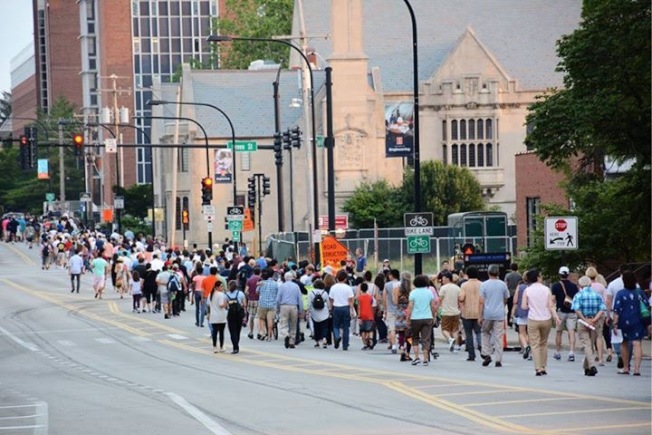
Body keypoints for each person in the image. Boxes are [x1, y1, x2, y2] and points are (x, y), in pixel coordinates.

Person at [521, 269, 560, 376]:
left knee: (535, 344)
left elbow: (523, 306)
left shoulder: (527, 290)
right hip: (546, 319)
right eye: (541, 276)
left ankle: (537, 368)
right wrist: (556, 317)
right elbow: (551, 306)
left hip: (533, 319)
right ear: (537, 278)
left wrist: (532, 306)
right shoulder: (546, 289)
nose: (541, 277)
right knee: (543, 343)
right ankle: (543, 366)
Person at [613, 271, 649, 376]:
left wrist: (615, 323)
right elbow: (646, 305)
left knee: (624, 343)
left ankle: (626, 367)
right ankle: (637, 369)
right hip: (638, 320)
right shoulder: (640, 292)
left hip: (624, 321)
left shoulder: (620, 293)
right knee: (637, 344)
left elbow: (617, 310)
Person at [572, 275, 606, 377]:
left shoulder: (578, 295)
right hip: (594, 321)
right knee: (590, 345)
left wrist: (584, 319)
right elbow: (602, 309)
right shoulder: (597, 295)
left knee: (586, 345)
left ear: (580, 285)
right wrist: (594, 319)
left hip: (583, 321)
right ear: (590, 284)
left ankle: (591, 366)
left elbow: (576, 309)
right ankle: (587, 368)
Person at [479, 264, 510, 367]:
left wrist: (480, 315)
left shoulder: (484, 285)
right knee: (498, 337)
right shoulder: (503, 285)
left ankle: (487, 353)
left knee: (485, 333)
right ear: (498, 273)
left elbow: (481, 302)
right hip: (499, 314)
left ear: (488, 273)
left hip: (487, 314)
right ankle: (498, 359)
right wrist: (502, 305)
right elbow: (506, 298)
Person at [406, 275, 437, 366]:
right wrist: (434, 316)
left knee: (414, 338)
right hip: (427, 317)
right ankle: (426, 359)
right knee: (426, 339)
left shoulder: (413, 293)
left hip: (415, 318)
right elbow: (432, 306)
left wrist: (408, 318)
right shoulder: (429, 292)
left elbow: (410, 307)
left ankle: (416, 357)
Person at [551, 266, 579, 361]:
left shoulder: (555, 285)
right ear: (568, 275)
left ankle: (558, 352)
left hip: (560, 311)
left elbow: (553, 299)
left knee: (559, 332)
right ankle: (571, 352)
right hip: (572, 311)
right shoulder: (574, 286)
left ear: (559, 275)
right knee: (571, 332)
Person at [586, 266, 611, 365]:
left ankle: (590, 357)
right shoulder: (601, 287)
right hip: (599, 314)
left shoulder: (586, 287)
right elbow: (605, 301)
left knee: (589, 337)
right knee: (599, 336)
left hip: (588, 314)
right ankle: (601, 359)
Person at [459, 266, 482, 361]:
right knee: (479, 332)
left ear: (467, 274)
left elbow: (461, 298)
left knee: (468, 334)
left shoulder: (464, 285)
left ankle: (471, 355)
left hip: (467, 313)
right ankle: (483, 351)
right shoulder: (482, 284)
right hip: (479, 313)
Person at [276, 271, 303, 349]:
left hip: (284, 306)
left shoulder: (282, 286)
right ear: (292, 278)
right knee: (293, 325)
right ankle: (292, 341)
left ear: (284, 278)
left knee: (283, 323)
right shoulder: (296, 286)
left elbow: (278, 299)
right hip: (294, 306)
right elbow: (300, 299)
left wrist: (277, 308)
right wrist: (300, 310)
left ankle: (285, 334)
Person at [329, 269, 354, 351]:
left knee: (335, 325)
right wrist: (352, 310)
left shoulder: (333, 287)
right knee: (346, 327)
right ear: (345, 279)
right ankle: (345, 345)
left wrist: (331, 308)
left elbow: (331, 299)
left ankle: (336, 336)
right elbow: (350, 300)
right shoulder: (348, 288)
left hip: (336, 308)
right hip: (345, 308)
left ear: (337, 278)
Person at [438, 271, 461, 352]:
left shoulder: (443, 288)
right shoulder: (457, 288)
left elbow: (439, 300)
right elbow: (460, 300)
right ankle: (457, 346)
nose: (442, 280)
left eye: (443, 278)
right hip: (456, 312)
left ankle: (450, 339)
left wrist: (438, 309)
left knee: (444, 329)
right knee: (455, 330)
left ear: (447, 278)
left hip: (446, 312)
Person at [257, 268, 279, 341]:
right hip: (272, 304)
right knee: (270, 319)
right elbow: (278, 293)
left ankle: (263, 332)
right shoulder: (276, 284)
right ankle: (269, 335)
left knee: (261, 318)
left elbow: (257, 291)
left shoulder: (262, 283)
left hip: (262, 303)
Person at [225, 280, 246, 354]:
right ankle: (236, 343)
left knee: (232, 330)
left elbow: (225, 306)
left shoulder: (226, 295)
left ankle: (235, 346)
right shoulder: (240, 293)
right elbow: (244, 304)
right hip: (239, 313)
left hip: (231, 314)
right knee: (238, 330)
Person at [511, 280, 530, 359]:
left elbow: (515, 301)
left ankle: (525, 346)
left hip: (521, 312)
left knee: (522, 332)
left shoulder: (520, 287)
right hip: (532, 313)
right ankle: (531, 349)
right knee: (530, 333)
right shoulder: (534, 287)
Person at [207, 280, 228, 353]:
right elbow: (221, 305)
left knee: (214, 332)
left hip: (213, 316)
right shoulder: (221, 295)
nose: (222, 287)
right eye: (221, 286)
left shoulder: (211, 294)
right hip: (221, 316)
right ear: (217, 287)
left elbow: (209, 304)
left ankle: (214, 347)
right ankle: (221, 346)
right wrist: (226, 303)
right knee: (221, 332)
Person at [384, 269, 401, 354]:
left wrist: (385, 309)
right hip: (400, 309)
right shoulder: (401, 284)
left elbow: (384, 298)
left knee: (392, 328)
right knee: (402, 328)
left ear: (392, 275)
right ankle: (403, 344)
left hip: (391, 309)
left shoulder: (387, 285)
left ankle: (394, 345)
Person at [309, 279, 330, 348]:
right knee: (325, 327)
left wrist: (307, 311)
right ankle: (324, 338)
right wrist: (330, 310)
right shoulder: (325, 292)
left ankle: (317, 341)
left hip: (314, 312)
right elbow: (328, 302)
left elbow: (309, 303)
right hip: (324, 312)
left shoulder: (311, 292)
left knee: (316, 326)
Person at [356, 282, 375, 350]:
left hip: (362, 315)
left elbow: (358, 307)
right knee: (369, 330)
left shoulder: (359, 298)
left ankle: (365, 344)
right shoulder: (370, 297)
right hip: (369, 315)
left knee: (362, 330)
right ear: (367, 289)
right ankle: (369, 338)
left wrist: (358, 316)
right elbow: (371, 305)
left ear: (361, 289)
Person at [504, 263, 522, 328]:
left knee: (510, 308)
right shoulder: (520, 276)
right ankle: (517, 322)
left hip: (509, 293)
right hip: (517, 294)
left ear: (511, 268)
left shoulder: (507, 275)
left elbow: (505, 284)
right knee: (517, 309)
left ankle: (509, 323)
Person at [245, 267, 261, 339]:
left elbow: (246, 291)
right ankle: (259, 332)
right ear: (259, 272)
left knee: (252, 316)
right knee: (260, 317)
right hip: (260, 299)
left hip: (251, 299)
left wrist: (249, 295)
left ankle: (251, 332)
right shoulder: (261, 280)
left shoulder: (249, 280)